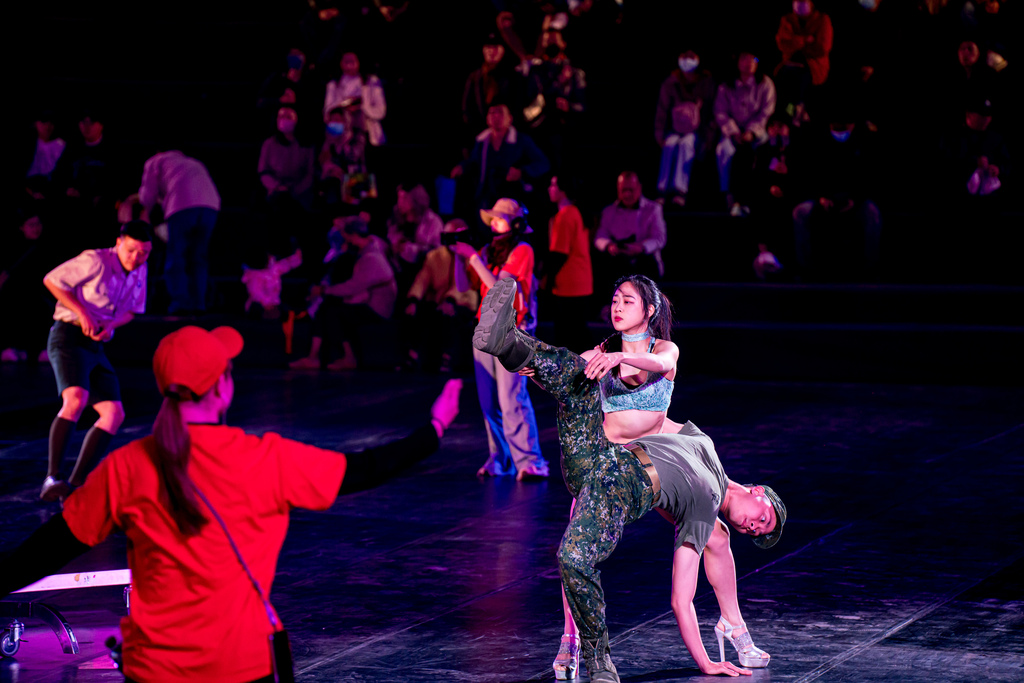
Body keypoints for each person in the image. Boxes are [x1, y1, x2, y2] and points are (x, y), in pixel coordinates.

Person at [0, 324, 463, 681]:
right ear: (223, 386)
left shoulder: (127, 466)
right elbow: (366, 469)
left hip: (155, 669)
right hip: (242, 666)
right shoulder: (266, 460)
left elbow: (49, 548)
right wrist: (435, 427)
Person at [474, 277, 787, 682]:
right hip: (602, 462)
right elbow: (563, 378)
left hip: (642, 474)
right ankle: (571, 637)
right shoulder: (600, 355)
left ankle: (733, 625)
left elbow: (662, 375)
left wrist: (621, 358)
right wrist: (535, 365)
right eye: (615, 300)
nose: (618, 307)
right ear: (760, 493)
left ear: (649, 311)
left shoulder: (664, 352)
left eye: (628, 301)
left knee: (718, 534)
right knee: (578, 549)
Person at [38, 220, 153, 502]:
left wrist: (111, 324)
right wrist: (82, 312)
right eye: (131, 250)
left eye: (143, 253)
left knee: (114, 413)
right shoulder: (96, 260)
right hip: (69, 335)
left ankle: (77, 485)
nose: (136, 258)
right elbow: (52, 280)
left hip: (95, 343)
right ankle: (53, 477)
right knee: (76, 398)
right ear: (119, 243)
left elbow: (133, 310)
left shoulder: (140, 270)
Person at [452, 198, 548, 479]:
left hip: (512, 332)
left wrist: (473, 258)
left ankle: (530, 461)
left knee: (511, 399)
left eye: (499, 218)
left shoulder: (522, 250)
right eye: (492, 219)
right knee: (488, 402)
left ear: (515, 224)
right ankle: (501, 459)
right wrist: (460, 257)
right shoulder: (487, 252)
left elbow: (501, 289)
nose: (493, 223)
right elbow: (462, 286)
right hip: (485, 330)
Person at [289, 218, 396, 371]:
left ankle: (349, 358)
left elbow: (352, 287)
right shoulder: (370, 246)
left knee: (333, 312)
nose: (345, 241)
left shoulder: (371, 257)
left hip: (377, 307)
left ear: (353, 236)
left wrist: (324, 290)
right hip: (367, 299)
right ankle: (313, 357)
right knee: (327, 307)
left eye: (346, 237)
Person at [135, 150, 221, 314]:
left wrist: (144, 211)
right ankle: (199, 303)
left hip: (182, 206)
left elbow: (147, 195)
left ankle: (181, 303)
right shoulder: (192, 162)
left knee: (177, 255)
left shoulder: (155, 161)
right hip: (211, 206)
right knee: (199, 257)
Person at [451, 103, 550, 215]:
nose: (496, 116)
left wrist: (522, 172)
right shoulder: (482, 142)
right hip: (487, 199)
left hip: (513, 200)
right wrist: (462, 167)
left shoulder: (521, 140)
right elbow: (473, 161)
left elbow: (543, 163)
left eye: (500, 112)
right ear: (487, 119)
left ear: (510, 118)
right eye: (492, 112)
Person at [714, 53, 776, 216]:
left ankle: (750, 199)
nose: (749, 63)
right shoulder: (726, 86)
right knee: (723, 151)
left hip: (757, 132)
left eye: (753, 59)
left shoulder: (765, 84)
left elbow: (766, 112)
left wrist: (751, 132)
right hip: (733, 132)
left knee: (755, 153)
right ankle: (728, 195)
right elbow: (720, 112)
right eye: (744, 58)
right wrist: (733, 131)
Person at [654, 49, 716, 207]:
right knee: (670, 145)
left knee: (686, 145)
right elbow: (662, 109)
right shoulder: (671, 83)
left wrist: (708, 138)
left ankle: (680, 190)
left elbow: (711, 113)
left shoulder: (706, 83)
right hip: (674, 129)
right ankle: (662, 190)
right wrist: (660, 133)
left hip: (696, 131)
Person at [593, 172, 667, 291]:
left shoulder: (653, 209)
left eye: (631, 190)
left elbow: (659, 238)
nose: (627, 194)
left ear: (639, 188)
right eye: (624, 190)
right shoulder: (609, 211)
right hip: (618, 263)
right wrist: (609, 245)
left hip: (645, 262)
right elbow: (600, 236)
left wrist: (641, 247)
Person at [543, 175, 592, 352]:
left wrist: (546, 280)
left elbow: (559, 254)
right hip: (581, 282)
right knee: (577, 335)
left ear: (563, 190)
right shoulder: (576, 212)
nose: (550, 188)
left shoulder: (565, 215)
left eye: (553, 185)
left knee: (567, 339)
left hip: (569, 285)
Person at [386, 183, 444, 296]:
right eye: (399, 198)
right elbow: (391, 237)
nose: (400, 202)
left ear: (416, 199)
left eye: (404, 198)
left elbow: (438, 250)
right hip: (398, 271)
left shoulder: (432, 221)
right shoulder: (396, 218)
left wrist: (412, 249)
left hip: (424, 272)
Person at [323, 52, 387, 148]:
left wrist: (362, 105)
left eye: (352, 62)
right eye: (346, 62)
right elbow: (327, 112)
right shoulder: (334, 84)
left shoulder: (372, 82)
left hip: (368, 135)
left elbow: (381, 112)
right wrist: (343, 107)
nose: (349, 65)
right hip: (342, 137)